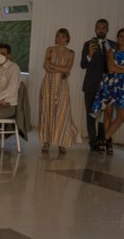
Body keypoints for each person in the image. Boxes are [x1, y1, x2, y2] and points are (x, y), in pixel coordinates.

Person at [39, 28, 80, 153]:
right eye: (58, 36)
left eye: (62, 37)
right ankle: (46, 142)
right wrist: (61, 69)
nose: (60, 39)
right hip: (48, 84)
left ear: (67, 38)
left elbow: (68, 69)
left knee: (62, 112)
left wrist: (54, 66)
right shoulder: (50, 49)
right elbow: (45, 66)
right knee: (47, 111)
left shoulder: (71, 53)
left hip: (62, 85)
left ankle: (62, 141)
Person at [81, 19, 116, 151]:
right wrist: (89, 54)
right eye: (98, 27)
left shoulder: (113, 45)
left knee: (105, 116)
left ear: (107, 29)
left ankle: (104, 139)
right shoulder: (88, 44)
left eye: (103, 27)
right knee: (91, 115)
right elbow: (83, 64)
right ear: (95, 29)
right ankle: (93, 142)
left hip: (108, 86)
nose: (101, 30)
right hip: (91, 85)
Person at [91, 27, 124, 155]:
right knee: (108, 115)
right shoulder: (112, 51)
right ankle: (108, 142)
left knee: (121, 117)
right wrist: (119, 68)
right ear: (117, 37)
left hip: (122, 88)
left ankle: (104, 139)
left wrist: (117, 67)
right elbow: (110, 67)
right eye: (120, 36)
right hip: (110, 86)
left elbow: (114, 68)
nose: (123, 38)